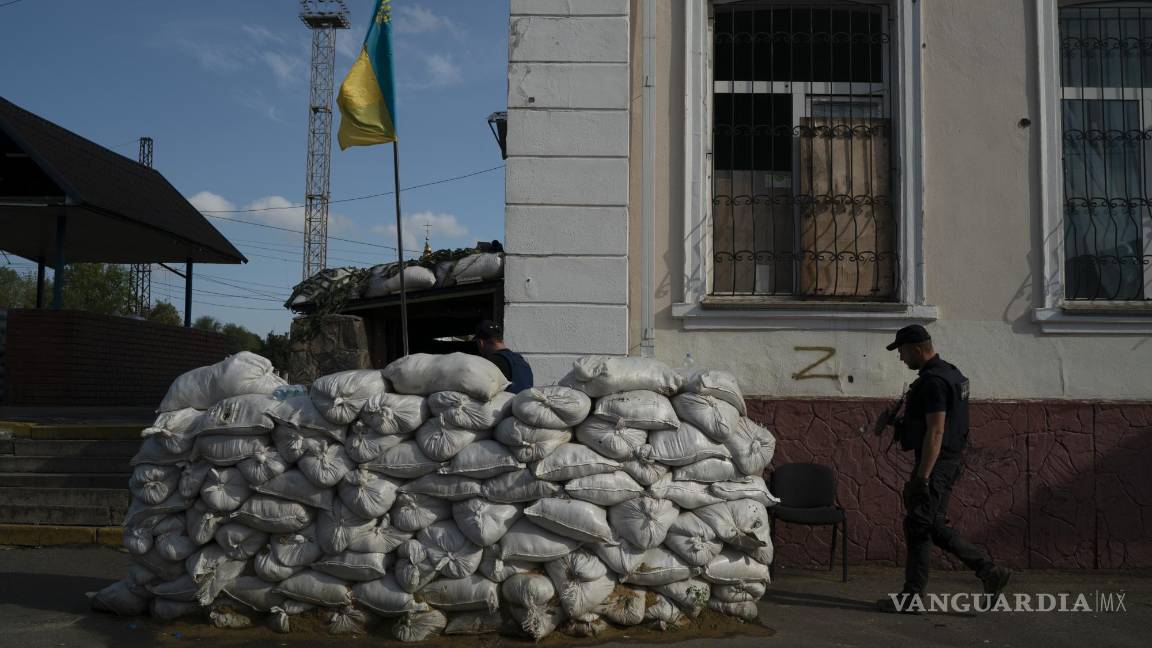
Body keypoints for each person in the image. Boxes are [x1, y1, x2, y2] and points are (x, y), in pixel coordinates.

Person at [877, 324, 1010, 613]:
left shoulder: (934, 382)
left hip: (936, 464)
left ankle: (988, 570)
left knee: (926, 525)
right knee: (920, 526)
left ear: (915, 348)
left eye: (901, 351)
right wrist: (896, 422)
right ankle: (911, 598)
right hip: (947, 459)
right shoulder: (950, 372)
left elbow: (936, 431)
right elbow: (934, 424)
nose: (900, 358)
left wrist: (922, 478)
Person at [473, 319, 533, 394]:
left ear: (480, 343)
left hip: (506, 406)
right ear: (501, 339)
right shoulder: (523, 362)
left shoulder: (491, 363)